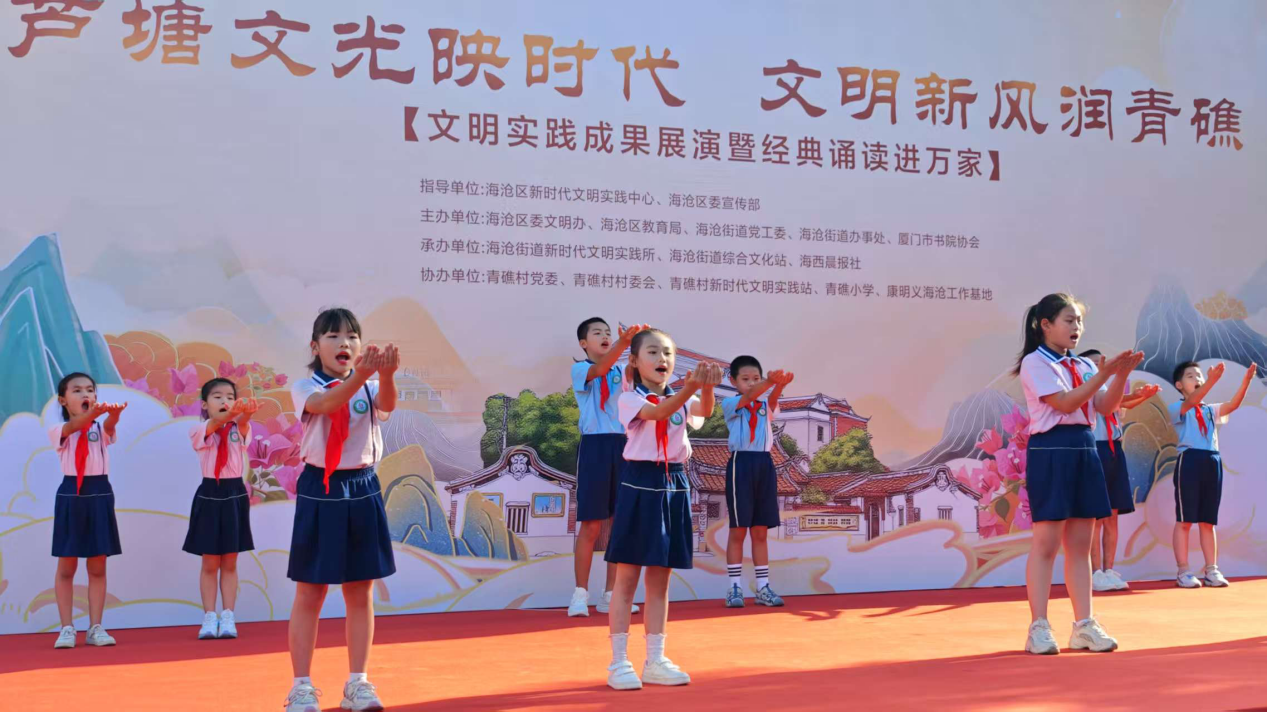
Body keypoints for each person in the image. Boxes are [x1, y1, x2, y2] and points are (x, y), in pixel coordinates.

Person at [284, 308, 399, 712]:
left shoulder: (367, 385)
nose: (343, 343)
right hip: (321, 487)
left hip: (363, 485)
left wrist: (386, 375)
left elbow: (387, 405)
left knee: (360, 589)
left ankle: (358, 684)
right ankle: (301, 687)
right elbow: (327, 403)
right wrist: (361, 376)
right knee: (310, 590)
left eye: (351, 336)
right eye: (332, 336)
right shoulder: (305, 386)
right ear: (315, 347)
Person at [1014, 293, 1141, 655]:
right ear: (1046, 325)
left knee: (1081, 545)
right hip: (1051, 450)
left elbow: (1105, 406)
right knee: (1046, 544)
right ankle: (1039, 627)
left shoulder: (1082, 365)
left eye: (1079, 321)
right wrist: (1103, 374)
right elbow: (1065, 403)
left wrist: (1120, 375)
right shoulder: (1035, 363)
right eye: (1069, 320)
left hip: (1086, 449)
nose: (1077, 328)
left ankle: (1083, 625)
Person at [603, 328, 723, 690]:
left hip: (674, 482)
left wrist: (707, 386)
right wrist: (690, 387)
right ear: (635, 361)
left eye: (668, 353)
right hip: (639, 482)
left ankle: (655, 660)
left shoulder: (680, 396)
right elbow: (659, 413)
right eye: (653, 352)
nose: (662, 359)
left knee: (660, 577)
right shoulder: (630, 398)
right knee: (627, 577)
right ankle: (619, 663)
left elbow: (705, 410)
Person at [568, 318, 647, 617]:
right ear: (583, 343)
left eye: (608, 333)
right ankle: (580, 594)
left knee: (619, 523)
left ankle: (611, 594)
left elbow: (641, 379)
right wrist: (623, 342)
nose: (604, 336)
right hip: (595, 446)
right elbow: (600, 369)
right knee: (591, 524)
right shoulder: (581, 369)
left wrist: (640, 345)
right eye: (597, 333)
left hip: (624, 446)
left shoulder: (623, 370)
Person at [49, 372, 127, 649]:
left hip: (100, 495)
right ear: (63, 400)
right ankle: (66, 628)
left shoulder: (99, 429)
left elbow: (109, 428)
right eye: (77, 390)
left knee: (97, 565)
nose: (85, 394)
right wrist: (93, 414)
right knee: (67, 566)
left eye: (90, 390)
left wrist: (114, 416)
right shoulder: (59, 430)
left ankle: (95, 627)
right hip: (72, 496)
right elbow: (76, 425)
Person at [1077, 349, 1160, 592]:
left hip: (1115, 450)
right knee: (1097, 517)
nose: (1098, 366)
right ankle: (1094, 572)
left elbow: (1119, 403)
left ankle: (1109, 570)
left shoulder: (1111, 390)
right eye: (1093, 363)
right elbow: (1105, 405)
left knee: (1112, 516)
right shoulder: (1084, 388)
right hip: (1095, 449)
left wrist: (1142, 396)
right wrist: (1134, 395)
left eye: (1101, 362)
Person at [1169, 360, 1256, 588]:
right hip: (1190, 460)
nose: (1197, 379)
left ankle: (1211, 569)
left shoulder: (1209, 410)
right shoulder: (1178, 407)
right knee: (1185, 520)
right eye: (1190, 376)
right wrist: (1211, 381)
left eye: (1199, 375)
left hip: (1212, 460)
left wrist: (1246, 381)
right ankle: (1183, 570)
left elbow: (1233, 405)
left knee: (1208, 521)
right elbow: (1192, 401)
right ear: (1179, 385)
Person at [184, 377, 259, 639]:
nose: (225, 401)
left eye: (230, 396)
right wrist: (233, 413)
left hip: (235, 494)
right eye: (217, 397)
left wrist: (246, 415)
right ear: (205, 404)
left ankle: (228, 616)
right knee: (209, 562)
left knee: (229, 561)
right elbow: (216, 423)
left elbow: (243, 425)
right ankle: (209, 616)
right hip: (209, 494)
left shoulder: (240, 428)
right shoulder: (199, 429)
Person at [721, 355, 794, 608]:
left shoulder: (763, 403)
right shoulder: (731, 403)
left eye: (756, 378)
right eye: (745, 379)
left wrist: (779, 386)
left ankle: (763, 588)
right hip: (741, 464)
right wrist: (768, 382)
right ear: (733, 381)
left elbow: (770, 404)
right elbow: (752, 395)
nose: (751, 383)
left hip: (764, 464)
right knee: (738, 529)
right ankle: (734, 588)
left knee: (760, 531)